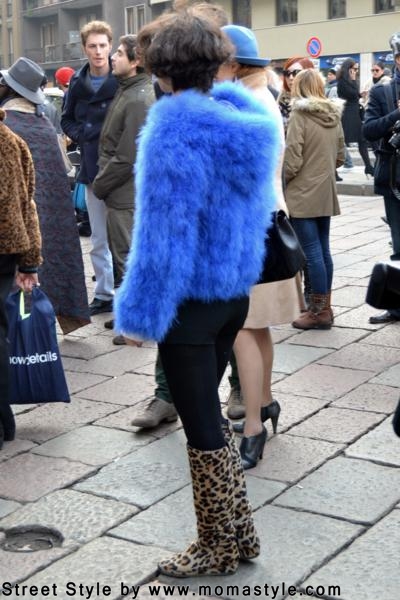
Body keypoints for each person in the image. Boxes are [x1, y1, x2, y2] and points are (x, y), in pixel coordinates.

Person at [115, 12, 280, 577]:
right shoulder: (243, 118)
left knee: (202, 427)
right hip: (232, 292)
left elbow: (163, 236)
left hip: (189, 304)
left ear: (162, 67)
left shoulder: (172, 129)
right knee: (210, 420)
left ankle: (215, 546)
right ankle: (240, 534)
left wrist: (139, 313)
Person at [216, 24, 301, 469]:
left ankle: (253, 427)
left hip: (250, 229)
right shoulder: (263, 94)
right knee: (258, 327)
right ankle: (264, 403)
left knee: (243, 330)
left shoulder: (245, 101)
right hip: (268, 224)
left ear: (232, 63)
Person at [0, 57, 90, 334]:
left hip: (16, 226)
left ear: (9, 88)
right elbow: (63, 168)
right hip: (50, 215)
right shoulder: (43, 126)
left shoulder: (7, 129)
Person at [93, 34, 155, 344]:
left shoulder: (138, 97)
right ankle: (126, 316)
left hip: (124, 191)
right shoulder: (129, 90)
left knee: (127, 258)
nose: (112, 57)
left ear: (136, 61)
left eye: (118, 53)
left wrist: (101, 185)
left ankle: (136, 325)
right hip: (119, 190)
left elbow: (128, 155)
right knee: (123, 256)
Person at [61, 20, 118, 316]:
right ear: (84, 48)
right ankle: (104, 293)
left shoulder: (123, 78)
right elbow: (66, 118)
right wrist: (83, 135)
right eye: (93, 46)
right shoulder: (76, 82)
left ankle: (126, 295)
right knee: (97, 238)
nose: (98, 52)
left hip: (121, 172)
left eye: (103, 46)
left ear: (110, 46)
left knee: (124, 238)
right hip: (92, 167)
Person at [284, 69, 345, 330]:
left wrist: (283, 179)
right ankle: (326, 307)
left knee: (311, 252)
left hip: (302, 192)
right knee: (323, 250)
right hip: (325, 190)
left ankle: (318, 311)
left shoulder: (300, 114)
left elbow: (292, 158)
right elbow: (341, 155)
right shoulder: (334, 114)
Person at [0, 107, 42, 449]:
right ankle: (4, 420)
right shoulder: (13, 141)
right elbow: (28, 203)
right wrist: (30, 263)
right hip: (8, 249)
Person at [363, 32, 400, 324]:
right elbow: (369, 130)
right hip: (395, 179)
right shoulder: (382, 92)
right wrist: (396, 116)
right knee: (399, 245)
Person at [337, 58, 375, 177]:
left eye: (357, 69)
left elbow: (353, 95)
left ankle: (368, 167)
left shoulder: (350, 81)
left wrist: (360, 94)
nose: (356, 71)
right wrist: (354, 82)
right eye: (354, 69)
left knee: (362, 140)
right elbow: (350, 94)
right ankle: (333, 170)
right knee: (341, 142)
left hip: (354, 113)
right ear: (348, 69)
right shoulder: (342, 82)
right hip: (347, 114)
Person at [278, 55, 314, 134]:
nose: (291, 77)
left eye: (296, 72)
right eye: (287, 73)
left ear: (309, 75)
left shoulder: (320, 106)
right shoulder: (279, 105)